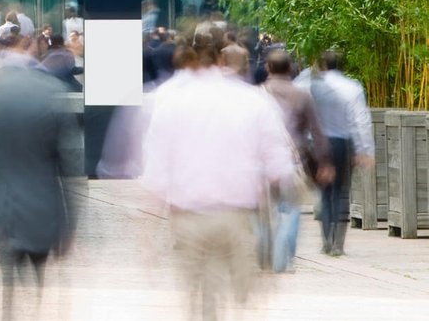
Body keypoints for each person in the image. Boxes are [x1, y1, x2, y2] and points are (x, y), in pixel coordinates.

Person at [141, 27, 295, 320]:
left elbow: (156, 172)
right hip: (237, 217)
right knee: (236, 294)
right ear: (224, 55)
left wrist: (146, 235)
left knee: (198, 291)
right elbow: (279, 167)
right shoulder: (253, 100)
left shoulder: (171, 100)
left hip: (189, 218)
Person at [0, 55, 81, 318]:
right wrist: (70, 225)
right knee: (39, 275)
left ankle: (9, 313)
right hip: (44, 210)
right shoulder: (50, 102)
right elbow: (68, 168)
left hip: (5, 208)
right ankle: (35, 311)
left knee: (9, 279)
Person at [260, 50, 332, 272]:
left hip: (263, 161)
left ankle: (267, 254)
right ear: (290, 69)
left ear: (268, 68)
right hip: (294, 160)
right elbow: (317, 132)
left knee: (266, 210)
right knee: (291, 210)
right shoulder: (302, 96)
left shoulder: (258, 94)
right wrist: (324, 162)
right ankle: (285, 257)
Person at [308, 50, 374, 257]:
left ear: (323, 66)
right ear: (341, 66)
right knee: (341, 191)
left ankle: (326, 240)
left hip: (319, 144)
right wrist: (365, 149)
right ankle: (338, 244)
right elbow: (360, 120)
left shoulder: (314, 87)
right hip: (342, 143)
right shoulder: (352, 87)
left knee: (324, 192)